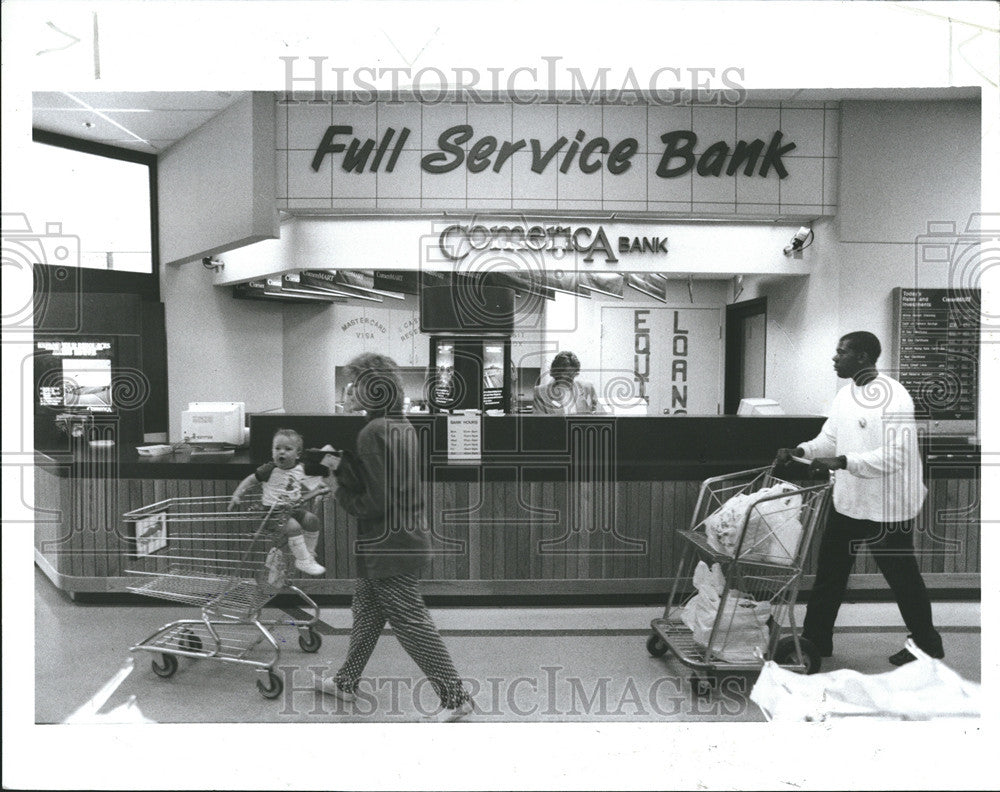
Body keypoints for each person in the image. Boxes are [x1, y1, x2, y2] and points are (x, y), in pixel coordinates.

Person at [316, 353, 474, 722]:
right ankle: (346, 681)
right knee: (367, 611)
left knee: (411, 622)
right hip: (402, 538)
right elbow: (388, 482)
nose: (348, 389)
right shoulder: (400, 425)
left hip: (388, 545)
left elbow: (374, 501)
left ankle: (455, 699)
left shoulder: (372, 432)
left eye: (353, 382)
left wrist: (335, 488)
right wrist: (342, 467)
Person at [776, 331, 944, 666]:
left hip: (888, 508)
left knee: (902, 578)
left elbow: (896, 455)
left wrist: (843, 461)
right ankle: (816, 641)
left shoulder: (895, 397)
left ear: (864, 357)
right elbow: (830, 437)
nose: (835, 358)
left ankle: (927, 643)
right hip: (849, 502)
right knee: (829, 574)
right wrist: (803, 450)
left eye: (842, 352)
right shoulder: (844, 395)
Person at [229, 428, 327, 575]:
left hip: (293, 509)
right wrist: (237, 495)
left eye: (288, 449)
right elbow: (250, 480)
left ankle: (309, 554)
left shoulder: (301, 469)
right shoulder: (269, 469)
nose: (281, 452)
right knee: (294, 527)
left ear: (297, 454)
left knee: (312, 520)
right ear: (272, 451)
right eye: (277, 448)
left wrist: (323, 487)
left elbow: (317, 485)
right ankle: (303, 561)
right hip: (272, 513)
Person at [532, 350, 606, 415]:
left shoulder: (587, 387)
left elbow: (600, 415)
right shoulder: (541, 392)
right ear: (555, 372)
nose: (570, 379)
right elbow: (539, 423)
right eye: (566, 375)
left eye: (572, 374)